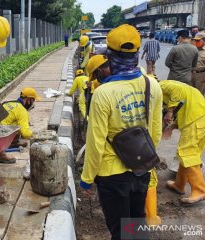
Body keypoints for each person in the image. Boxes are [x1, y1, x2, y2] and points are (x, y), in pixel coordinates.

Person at [80, 25, 163, 239]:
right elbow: (155, 132)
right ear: (137, 53)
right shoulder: (151, 85)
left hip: (111, 174)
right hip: (140, 167)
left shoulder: (103, 93)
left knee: (119, 231)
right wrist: (142, 160)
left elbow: (96, 142)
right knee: (136, 223)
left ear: (110, 55)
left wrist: (87, 178)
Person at [161, 80, 205, 204]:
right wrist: (171, 127)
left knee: (187, 153)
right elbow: (183, 106)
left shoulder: (161, 86)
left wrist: (169, 111)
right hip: (201, 117)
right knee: (186, 154)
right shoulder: (165, 89)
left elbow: (176, 91)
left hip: (195, 120)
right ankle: (179, 185)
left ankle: (200, 191)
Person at [0, 87, 41, 163]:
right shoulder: (22, 110)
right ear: (28, 100)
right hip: (2, 136)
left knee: (17, 122)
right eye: (33, 100)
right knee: (21, 126)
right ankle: (2, 153)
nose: (33, 103)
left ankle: (13, 143)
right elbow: (26, 134)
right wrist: (38, 136)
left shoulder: (10, 103)